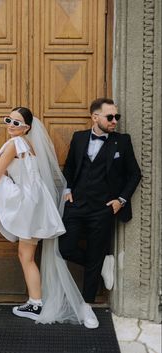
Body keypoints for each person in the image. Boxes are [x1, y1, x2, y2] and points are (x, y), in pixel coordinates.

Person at [0, 107, 99, 329]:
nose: (11, 125)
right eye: (8, 120)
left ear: (27, 128)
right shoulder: (28, 146)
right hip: (37, 205)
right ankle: (35, 303)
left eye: (16, 123)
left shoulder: (15, 144)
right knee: (27, 256)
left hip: (25, 202)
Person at [59, 98, 142, 304]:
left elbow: (134, 174)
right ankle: (100, 264)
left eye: (117, 117)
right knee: (65, 249)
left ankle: (87, 305)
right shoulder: (79, 138)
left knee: (96, 251)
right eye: (110, 117)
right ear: (95, 117)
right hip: (76, 205)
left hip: (104, 209)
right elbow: (69, 166)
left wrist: (120, 200)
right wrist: (67, 189)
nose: (115, 121)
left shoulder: (122, 141)